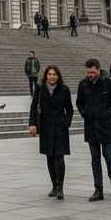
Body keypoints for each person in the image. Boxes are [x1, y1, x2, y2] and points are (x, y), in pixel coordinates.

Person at [76, 58, 111, 202]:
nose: (90, 74)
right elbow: (79, 102)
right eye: (88, 72)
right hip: (91, 126)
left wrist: (107, 114)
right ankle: (98, 189)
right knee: (95, 159)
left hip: (106, 126)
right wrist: (84, 113)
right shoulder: (83, 84)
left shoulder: (109, 83)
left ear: (98, 69)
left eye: (93, 72)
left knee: (108, 156)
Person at [28, 64, 74, 200]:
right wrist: (32, 124)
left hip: (60, 127)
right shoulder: (40, 89)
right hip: (46, 126)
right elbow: (33, 107)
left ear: (58, 76)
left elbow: (70, 109)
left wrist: (66, 122)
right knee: (49, 156)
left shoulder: (64, 89)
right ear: (46, 76)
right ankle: (54, 185)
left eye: (54, 74)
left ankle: (60, 187)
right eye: (49, 74)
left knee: (59, 157)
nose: (52, 77)